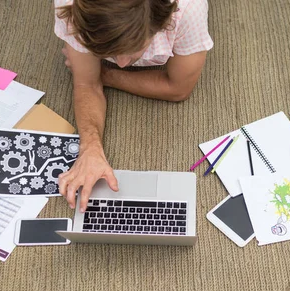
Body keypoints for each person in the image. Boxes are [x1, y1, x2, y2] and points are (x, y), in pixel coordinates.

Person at [54, 0, 214, 212]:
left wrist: (105, 74)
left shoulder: (188, 9)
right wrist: (90, 149)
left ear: (163, 22)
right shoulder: (71, 5)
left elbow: (178, 89)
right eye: (110, 54)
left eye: (133, 49)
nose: (121, 62)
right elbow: (86, 84)